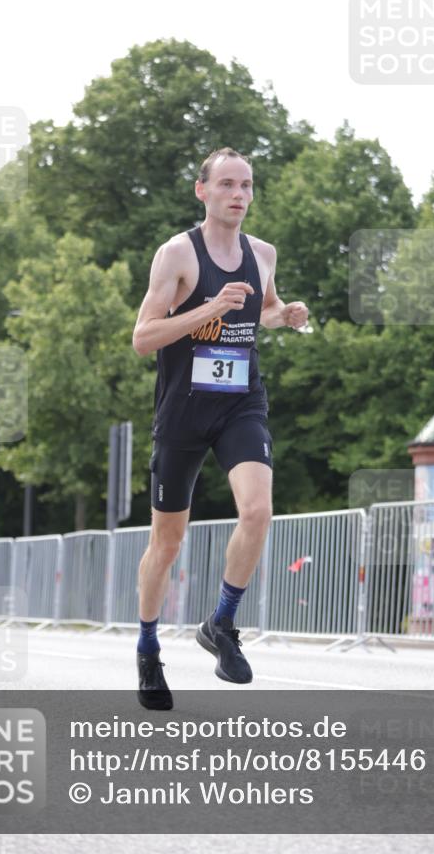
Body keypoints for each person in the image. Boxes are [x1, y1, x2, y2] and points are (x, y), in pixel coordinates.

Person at [132, 147, 308, 709]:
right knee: (169, 540)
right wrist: (207, 310)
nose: (240, 194)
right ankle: (147, 648)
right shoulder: (177, 254)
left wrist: (287, 316)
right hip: (183, 408)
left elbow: (261, 311)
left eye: (248, 185)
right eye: (228, 184)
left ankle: (222, 624)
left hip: (240, 402)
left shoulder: (263, 254)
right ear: (201, 190)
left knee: (258, 510)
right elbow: (143, 336)